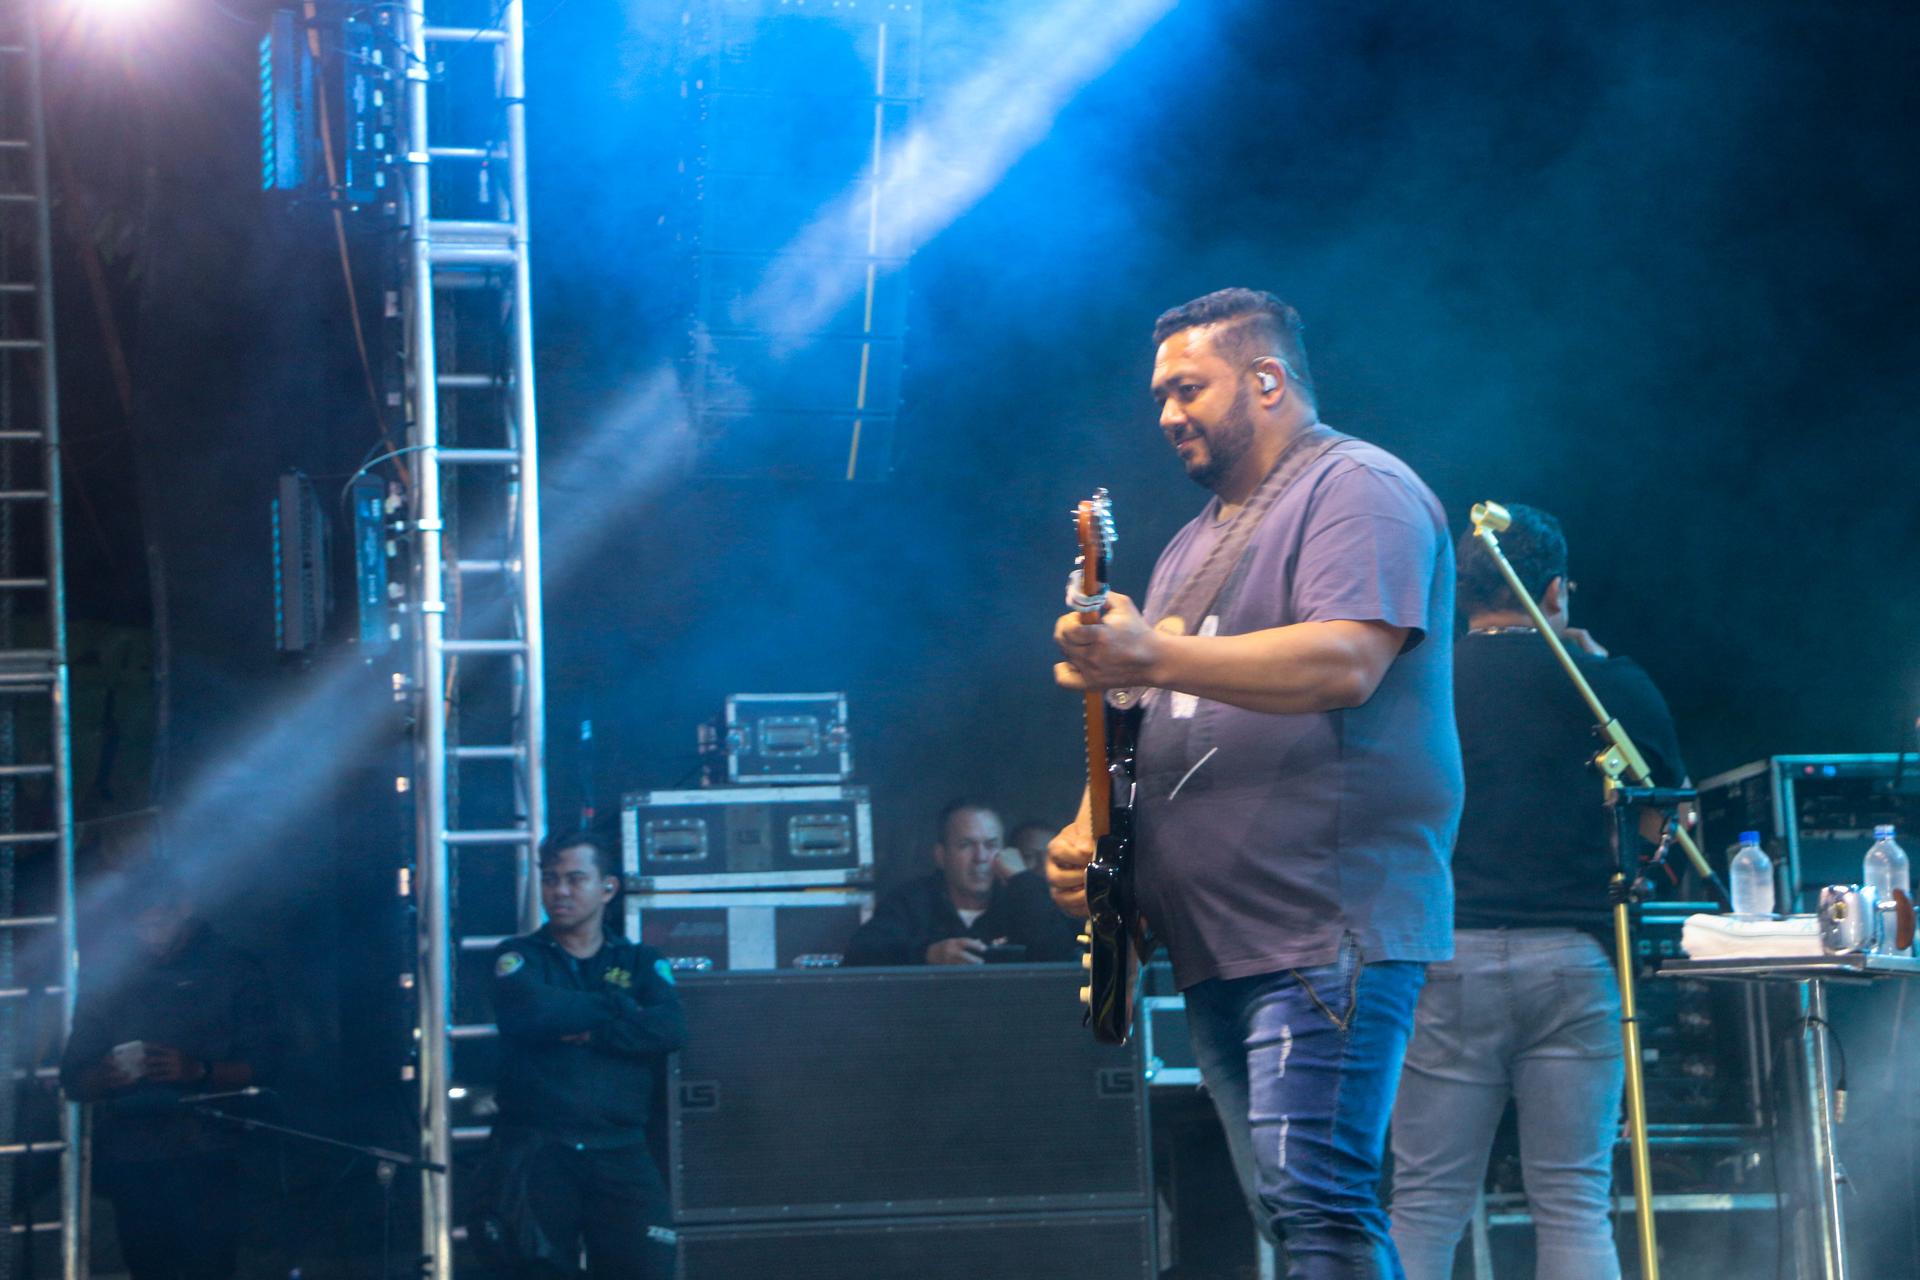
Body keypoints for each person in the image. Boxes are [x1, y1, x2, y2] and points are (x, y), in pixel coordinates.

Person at [1047, 288, 1460, 1278]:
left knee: (1318, 1200)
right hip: (1222, 939)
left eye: (1188, 388)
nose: (1165, 413)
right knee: (1294, 1209)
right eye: (1158, 395)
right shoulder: (1192, 544)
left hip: (1321, 919)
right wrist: (1090, 833)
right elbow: (1148, 709)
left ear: (1267, 379)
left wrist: (1152, 650)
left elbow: (1345, 661)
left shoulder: (1358, 487)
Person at [1389, 505, 1688, 1280]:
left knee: (1424, 1205)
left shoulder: (1419, 682)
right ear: (1554, 591)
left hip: (1445, 957)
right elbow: (1664, 815)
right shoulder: (1608, 684)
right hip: (1575, 960)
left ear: (1461, 591)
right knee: (1573, 1203)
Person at [61, 852, 283, 1280]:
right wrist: (104, 1075)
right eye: (139, 925)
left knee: (211, 1267)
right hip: (133, 1157)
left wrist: (198, 1071)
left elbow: (268, 1063)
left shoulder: (232, 969)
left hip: (210, 1151)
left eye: (158, 922)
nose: (150, 935)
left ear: (184, 908)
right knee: (147, 1267)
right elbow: (73, 1079)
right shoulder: (109, 978)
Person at [479, 829, 687, 1279]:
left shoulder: (640, 960)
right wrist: (621, 1007)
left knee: (647, 1269)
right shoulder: (517, 955)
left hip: (620, 1150)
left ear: (608, 888)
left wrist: (588, 1032)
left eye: (575, 879)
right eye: (550, 879)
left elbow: (670, 1028)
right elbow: (531, 1013)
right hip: (538, 1151)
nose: (560, 891)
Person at [843, 800, 1080, 966]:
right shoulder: (911, 901)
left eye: (990, 845)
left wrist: (1022, 880)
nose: (981, 857)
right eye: (966, 845)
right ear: (941, 856)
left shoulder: (1025, 899)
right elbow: (859, 955)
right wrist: (927, 955)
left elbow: (1066, 955)